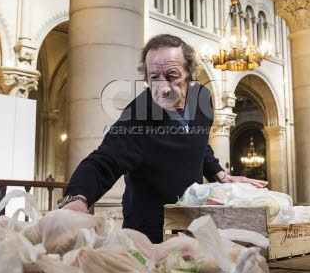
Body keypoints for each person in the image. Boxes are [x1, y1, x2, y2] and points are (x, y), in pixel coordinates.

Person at [59, 34, 267, 243]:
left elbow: (199, 144)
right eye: (154, 77)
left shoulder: (202, 98)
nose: (163, 89)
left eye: (172, 76)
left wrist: (220, 175)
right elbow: (104, 160)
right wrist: (76, 199)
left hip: (192, 223)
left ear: (191, 75)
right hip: (148, 231)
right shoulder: (138, 115)